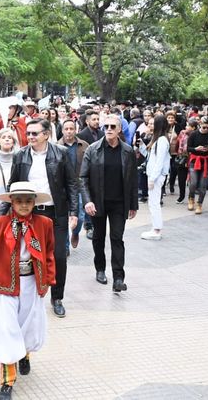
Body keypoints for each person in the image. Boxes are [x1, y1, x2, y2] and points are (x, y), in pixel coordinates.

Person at [0, 182, 56, 400]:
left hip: (32, 282)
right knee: (6, 330)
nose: (23, 205)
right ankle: (7, 381)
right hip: (5, 285)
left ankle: (25, 354)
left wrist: (48, 279)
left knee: (27, 326)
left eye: (28, 201)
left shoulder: (44, 223)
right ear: (11, 201)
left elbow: (48, 252)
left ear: (34, 203)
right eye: (18, 200)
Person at [0, 118, 78, 317]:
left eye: (35, 133)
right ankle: (31, 294)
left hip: (55, 213)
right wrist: (2, 215)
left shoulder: (61, 153)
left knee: (59, 256)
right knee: (30, 255)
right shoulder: (20, 155)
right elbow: (13, 186)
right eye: (29, 133)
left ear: (46, 135)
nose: (31, 137)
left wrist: (74, 213)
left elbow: (71, 184)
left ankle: (57, 297)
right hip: (30, 214)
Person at [80, 114, 138, 292]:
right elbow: (82, 177)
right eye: (106, 127)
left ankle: (119, 277)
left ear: (120, 129)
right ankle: (100, 269)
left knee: (117, 238)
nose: (109, 130)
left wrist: (133, 204)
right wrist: (87, 201)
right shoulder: (93, 149)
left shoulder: (127, 151)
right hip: (98, 202)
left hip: (119, 203)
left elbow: (133, 179)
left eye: (113, 126)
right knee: (98, 237)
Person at [57, 119, 89, 249]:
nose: (69, 131)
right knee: (64, 216)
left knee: (80, 216)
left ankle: (75, 233)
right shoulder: (56, 146)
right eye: (66, 129)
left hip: (79, 184)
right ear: (63, 130)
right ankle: (65, 246)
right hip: (63, 186)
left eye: (71, 128)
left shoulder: (84, 145)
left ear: (75, 130)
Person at [139, 115, 171, 240]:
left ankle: (157, 229)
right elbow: (150, 157)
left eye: (153, 123)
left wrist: (152, 178)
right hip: (153, 175)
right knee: (153, 202)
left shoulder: (162, 140)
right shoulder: (158, 139)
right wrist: (142, 146)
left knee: (154, 203)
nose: (150, 126)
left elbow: (159, 161)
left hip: (156, 176)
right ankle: (155, 228)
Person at [187, 116, 208, 215]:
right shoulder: (193, 134)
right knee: (193, 183)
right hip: (194, 160)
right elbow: (188, 148)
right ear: (200, 125)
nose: (206, 129)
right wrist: (196, 149)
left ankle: (199, 204)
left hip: (206, 162)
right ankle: (191, 198)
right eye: (204, 127)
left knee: (203, 185)